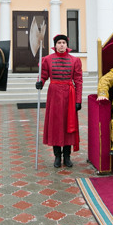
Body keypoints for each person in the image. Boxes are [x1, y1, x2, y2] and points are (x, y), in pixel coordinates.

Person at [35, 34, 83, 168]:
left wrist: (78, 100)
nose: (61, 45)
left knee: (69, 126)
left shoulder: (75, 60)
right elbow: (43, 75)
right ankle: (57, 156)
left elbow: (78, 81)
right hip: (54, 96)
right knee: (56, 125)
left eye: (63, 43)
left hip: (70, 95)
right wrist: (40, 82)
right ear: (55, 45)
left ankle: (67, 156)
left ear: (67, 45)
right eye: (59, 43)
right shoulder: (48, 60)